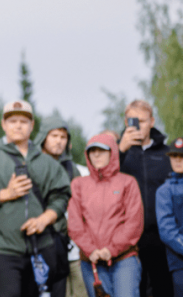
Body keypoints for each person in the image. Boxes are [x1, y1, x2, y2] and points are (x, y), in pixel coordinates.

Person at [0, 100, 72, 297]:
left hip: (40, 247)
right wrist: (4, 194)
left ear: (32, 126)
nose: (18, 125)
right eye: (12, 121)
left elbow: (61, 195)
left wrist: (44, 219)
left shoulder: (46, 162)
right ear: (4, 125)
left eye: (23, 121)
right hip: (1, 248)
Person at [68, 133, 143, 297]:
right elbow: (75, 224)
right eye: (92, 151)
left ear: (112, 152)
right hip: (92, 262)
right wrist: (91, 250)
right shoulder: (79, 184)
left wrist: (112, 249)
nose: (96, 155)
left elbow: (134, 223)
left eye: (101, 150)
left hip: (124, 260)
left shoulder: (127, 183)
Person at [117, 100, 173, 297]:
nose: (138, 126)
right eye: (133, 121)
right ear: (126, 122)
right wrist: (120, 150)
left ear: (152, 121)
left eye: (142, 120)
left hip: (162, 238)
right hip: (128, 240)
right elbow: (101, 179)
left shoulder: (167, 154)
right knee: (133, 291)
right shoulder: (116, 154)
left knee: (164, 290)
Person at [36, 115, 90, 297]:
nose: (59, 141)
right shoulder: (30, 165)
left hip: (71, 245)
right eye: (54, 136)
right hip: (38, 244)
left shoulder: (74, 170)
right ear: (43, 137)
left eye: (63, 137)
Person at [156, 137, 183, 296]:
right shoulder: (165, 191)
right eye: (174, 156)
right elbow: (167, 231)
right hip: (179, 263)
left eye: (182, 156)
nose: (178, 160)